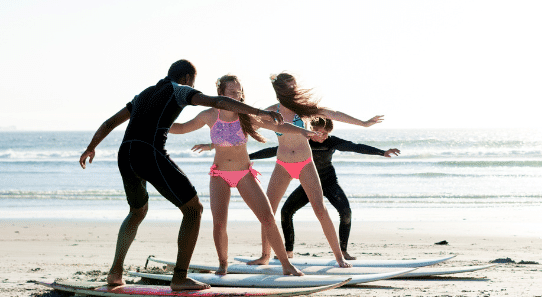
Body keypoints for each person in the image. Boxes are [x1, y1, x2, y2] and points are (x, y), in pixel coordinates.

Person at [78, 60, 283, 291]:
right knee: (193, 209)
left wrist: (91, 147)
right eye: (193, 82)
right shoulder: (179, 89)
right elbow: (217, 101)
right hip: (150, 152)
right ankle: (180, 277)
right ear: (187, 78)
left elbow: (109, 123)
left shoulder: (143, 95)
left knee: (137, 211)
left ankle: (115, 273)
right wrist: (259, 112)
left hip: (125, 154)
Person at [171, 74, 323, 276]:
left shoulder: (246, 116)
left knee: (267, 218)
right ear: (221, 94)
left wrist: (301, 131)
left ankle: (286, 265)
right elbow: (181, 128)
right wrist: (154, 123)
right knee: (219, 223)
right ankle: (222, 264)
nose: (237, 95)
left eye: (239, 91)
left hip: (243, 173)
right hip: (219, 175)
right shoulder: (209, 115)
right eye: (232, 92)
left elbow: (277, 126)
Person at [248, 73, 384, 268]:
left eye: (294, 87)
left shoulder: (304, 110)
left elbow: (334, 113)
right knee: (268, 210)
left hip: (304, 162)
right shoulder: (271, 111)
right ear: (279, 90)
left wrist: (363, 123)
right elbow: (245, 121)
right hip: (283, 164)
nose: (293, 91)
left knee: (319, 208)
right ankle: (264, 255)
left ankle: (339, 257)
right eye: (288, 88)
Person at [249, 117, 400, 261]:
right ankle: (289, 251)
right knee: (286, 211)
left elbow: (356, 147)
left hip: (329, 183)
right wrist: (248, 157)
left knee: (346, 212)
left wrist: (382, 152)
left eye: (325, 134)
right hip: (308, 184)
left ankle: (343, 251)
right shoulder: (301, 142)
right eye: (318, 132)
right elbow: (273, 150)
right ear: (310, 129)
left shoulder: (331, 142)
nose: (321, 137)